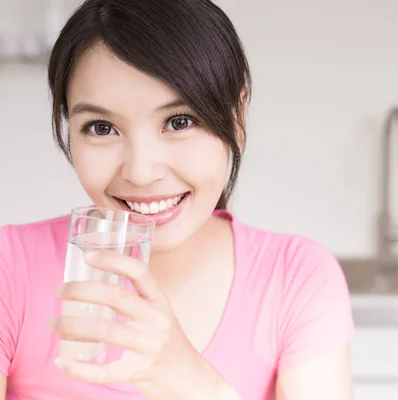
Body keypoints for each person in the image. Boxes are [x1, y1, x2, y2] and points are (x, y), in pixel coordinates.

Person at [0, 0, 355, 399]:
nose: (140, 170)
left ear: (237, 119)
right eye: (101, 127)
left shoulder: (296, 277)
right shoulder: (8, 268)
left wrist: (197, 384)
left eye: (179, 122)